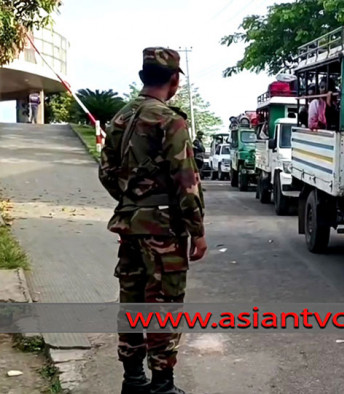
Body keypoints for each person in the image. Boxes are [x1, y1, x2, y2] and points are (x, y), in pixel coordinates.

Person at [98, 47, 207, 394]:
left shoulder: (120, 119)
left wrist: (133, 201)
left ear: (144, 76)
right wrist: (197, 231)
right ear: (174, 80)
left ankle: (133, 380)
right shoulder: (169, 120)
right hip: (163, 230)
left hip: (130, 225)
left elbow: (105, 173)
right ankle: (162, 384)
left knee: (132, 302)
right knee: (163, 304)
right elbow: (186, 181)